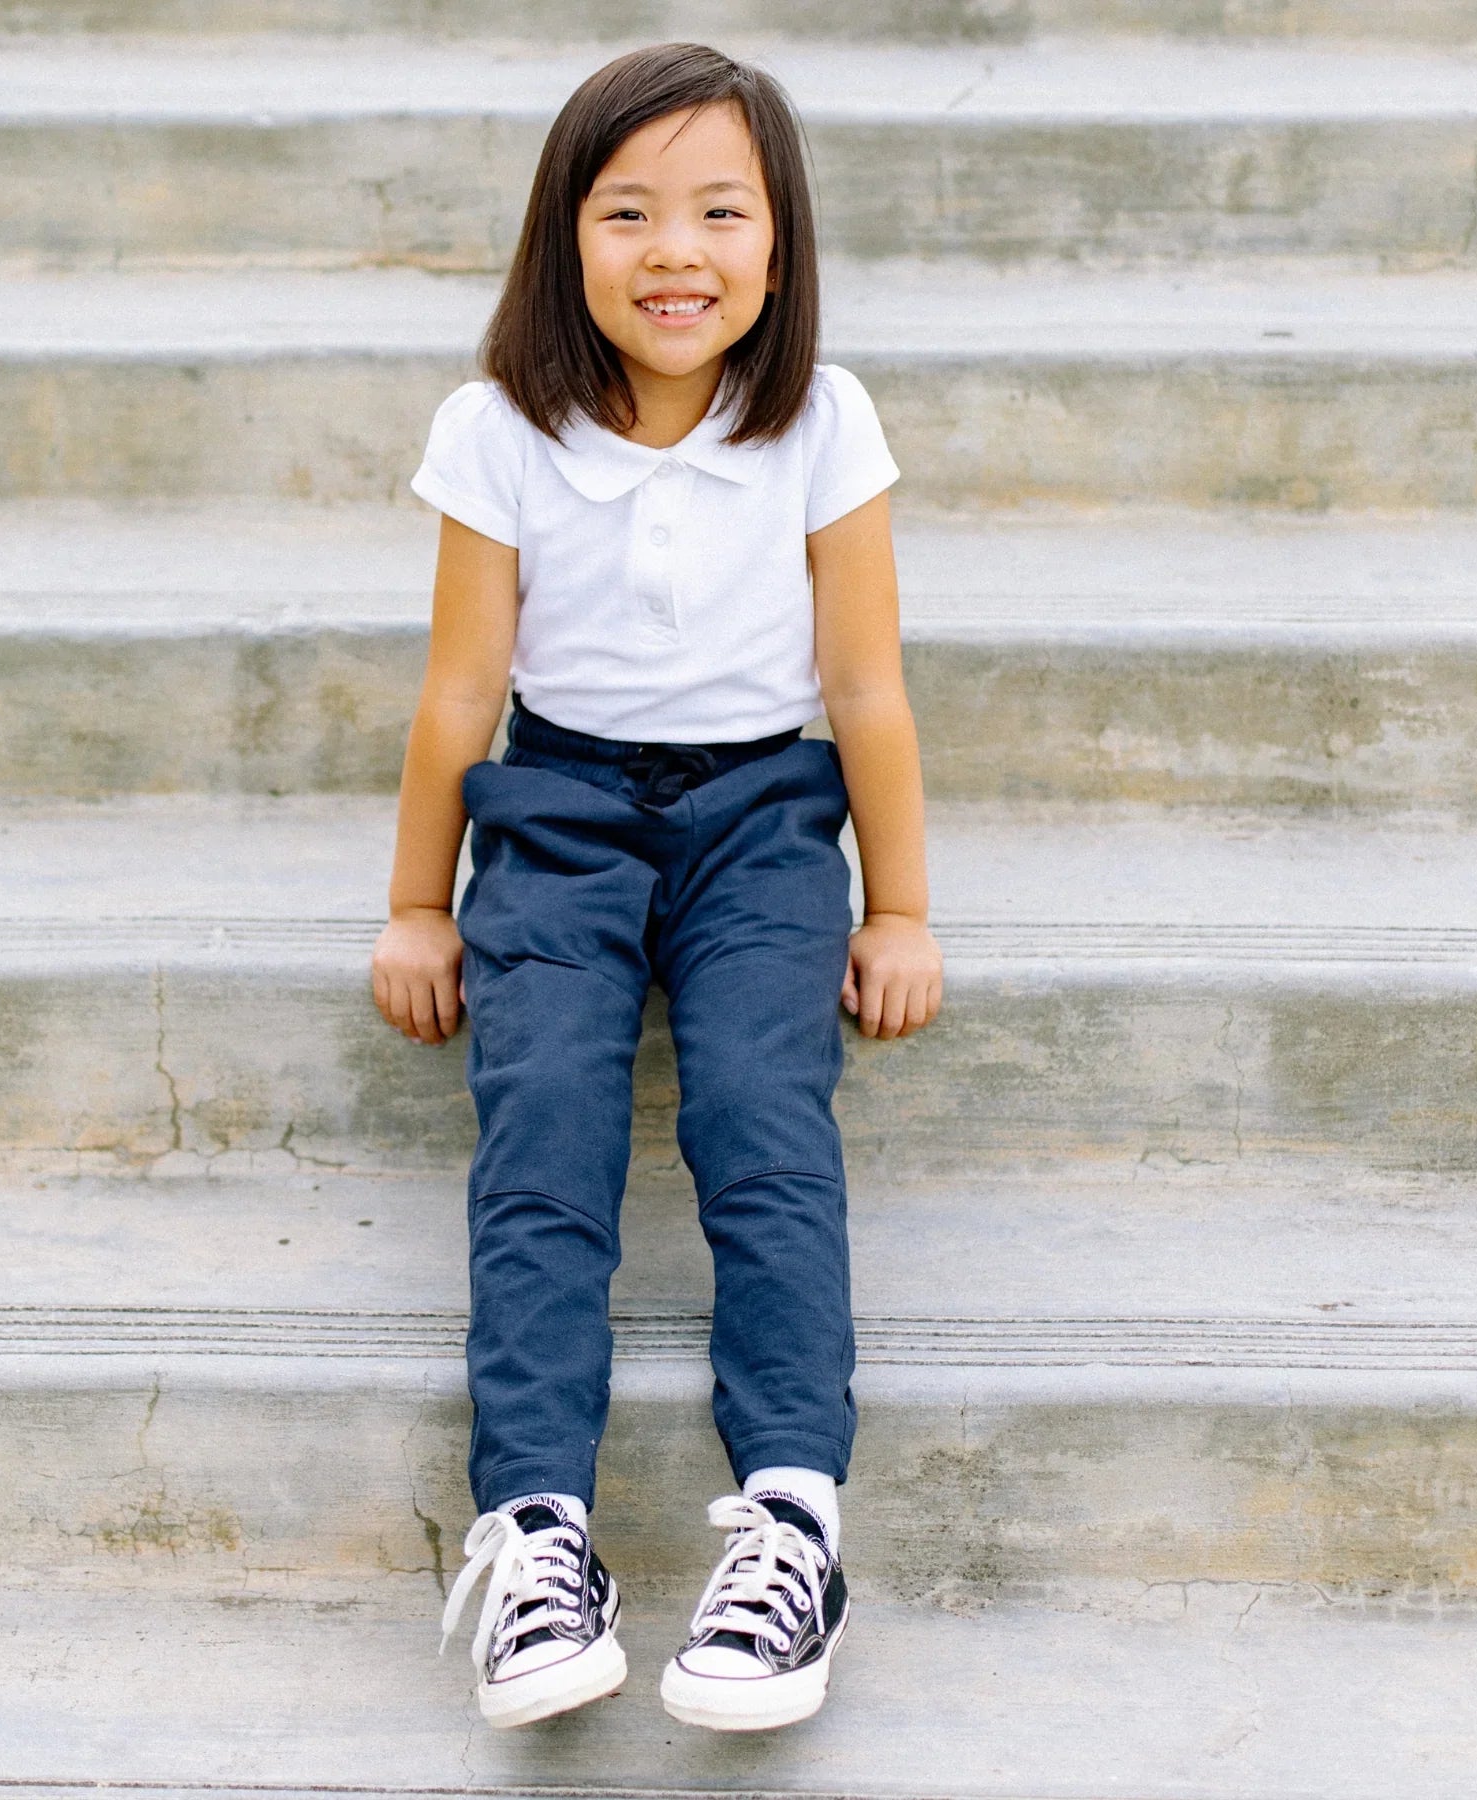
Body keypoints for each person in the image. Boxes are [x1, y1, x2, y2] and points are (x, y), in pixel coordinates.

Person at [372, 41, 942, 1736]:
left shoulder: (824, 420)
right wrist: (419, 901)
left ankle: (792, 1522)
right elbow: (460, 698)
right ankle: (536, 1527)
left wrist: (896, 906)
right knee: (544, 1117)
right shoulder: (500, 432)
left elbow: (868, 691)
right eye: (627, 212)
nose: (674, 249)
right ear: (566, 243)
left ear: (778, 247)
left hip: (769, 818)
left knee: (764, 1119)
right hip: (554, 812)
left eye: (718, 210)